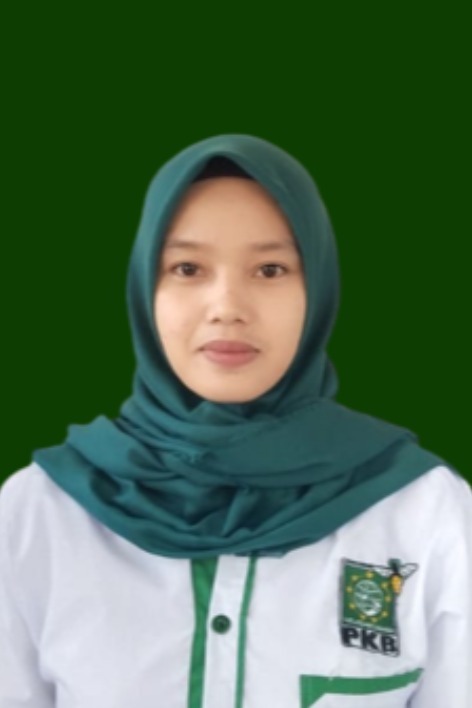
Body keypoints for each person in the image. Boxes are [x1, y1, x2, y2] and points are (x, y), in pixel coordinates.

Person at [0, 135, 471, 708]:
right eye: (187, 268)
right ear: (145, 289)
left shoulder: (423, 513)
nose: (227, 306)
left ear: (318, 288)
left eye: (270, 269)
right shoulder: (40, 515)